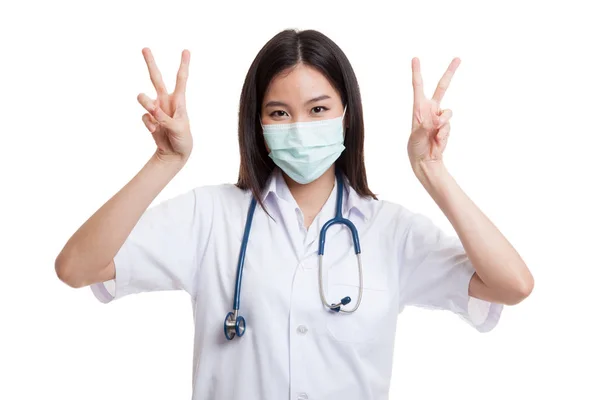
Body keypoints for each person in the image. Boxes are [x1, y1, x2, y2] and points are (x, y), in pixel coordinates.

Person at [55, 29, 534, 400]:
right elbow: (77, 267)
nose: (299, 127)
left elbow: (512, 284)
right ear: (257, 123)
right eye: (279, 113)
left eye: (318, 108)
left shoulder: (390, 232)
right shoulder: (210, 217)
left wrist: (431, 170)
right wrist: (166, 162)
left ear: (347, 114)